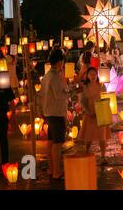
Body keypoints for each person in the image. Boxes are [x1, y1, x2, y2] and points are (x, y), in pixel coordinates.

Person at [40, 49, 70, 179]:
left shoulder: (47, 76)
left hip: (48, 112)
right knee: (57, 143)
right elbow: (59, 95)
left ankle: (51, 169)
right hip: (56, 113)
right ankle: (57, 172)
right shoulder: (55, 76)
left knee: (51, 142)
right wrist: (71, 92)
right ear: (59, 62)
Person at [78, 67, 110, 164]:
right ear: (87, 76)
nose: (93, 76)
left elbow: (105, 97)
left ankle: (103, 156)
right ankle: (86, 152)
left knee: (102, 136)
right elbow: (82, 102)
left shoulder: (101, 86)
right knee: (89, 135)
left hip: (100, 112)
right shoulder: (85, 87)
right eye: (91, 74)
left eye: (94, 74)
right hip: (90, 113)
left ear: (97, 75)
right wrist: (87, 111)